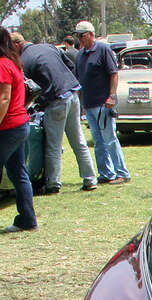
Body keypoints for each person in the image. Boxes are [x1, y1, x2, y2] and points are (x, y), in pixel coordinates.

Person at [10, 32, 97, 193]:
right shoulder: (49, 47)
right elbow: (71, 66)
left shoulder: (24, 60)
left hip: (56, 100)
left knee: (54, 144)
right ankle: (90, 178)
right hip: (72, 93)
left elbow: (25, 88)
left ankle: (52, 184)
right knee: (78, 140)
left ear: (16, 45)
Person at [74, 20, 130, 184]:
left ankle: (122, 172)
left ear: (91, 34)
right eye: (78, 36)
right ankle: (106, 173)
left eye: (82, 35)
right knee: (98, 141)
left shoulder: (103, 50)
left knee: (110, 139)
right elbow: (79, 80)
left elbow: (113, 73)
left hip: (104, 103)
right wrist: (82, 104)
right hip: (90, 104)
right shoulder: (80, 55)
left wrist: (111, 96)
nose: (80, 39)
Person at [0, 28, 36, 233]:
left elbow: (4, 99)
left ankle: (27, 219)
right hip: (20, 124)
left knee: (18, 172)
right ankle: (27, 220)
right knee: (18, 172)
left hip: (9, 127)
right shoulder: (14, 63)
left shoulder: (3, 65)